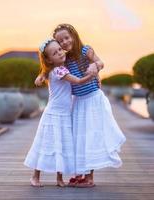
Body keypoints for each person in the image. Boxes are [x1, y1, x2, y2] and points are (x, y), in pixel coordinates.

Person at [36, 24, 126, 187]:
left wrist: (95, 66)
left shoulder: (86, 50)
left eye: (67, 38)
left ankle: (90, 177)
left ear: (74, 36)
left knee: (90, 136)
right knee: (78, 138)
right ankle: (81, 173)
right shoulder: (63, 59)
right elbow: (50, 67)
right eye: (60, 41)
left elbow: (100, 62)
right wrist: (42, 75)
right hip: (78, 101)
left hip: (92, 99)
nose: (64, 42)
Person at [24, 39, 95, 187]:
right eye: (54, 53)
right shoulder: (58, 70)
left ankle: (59, 178)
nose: (59, 53)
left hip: (63, 114)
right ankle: (35, 177)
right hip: (53, 114)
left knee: (60, 145)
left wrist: (41, 76)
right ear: (49, 59)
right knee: (47, 144)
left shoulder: (54, 69)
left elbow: (41, 77)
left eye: (60, 50)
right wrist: (91, 76)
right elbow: (77, 81)